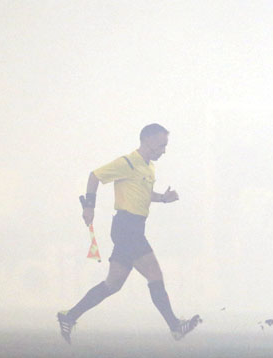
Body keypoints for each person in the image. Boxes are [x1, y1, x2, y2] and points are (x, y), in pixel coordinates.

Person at [57, 123, 201, 343]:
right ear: (149, 140)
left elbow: (142, 192)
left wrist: (162, 197)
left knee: (113, 284)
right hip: (127, 228)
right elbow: (95, 176)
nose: (164, 150)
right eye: (162, 145)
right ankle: (175, 326)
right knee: (154, 274)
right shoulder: (127, 162)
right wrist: (89, 206)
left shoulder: (148, 166)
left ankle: (69, 316)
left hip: (134, 227)